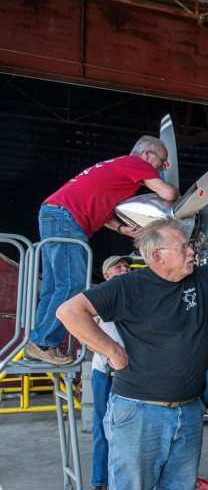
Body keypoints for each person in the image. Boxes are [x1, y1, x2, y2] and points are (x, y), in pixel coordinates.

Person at [56, 218, 208, 490]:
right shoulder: (129, 286)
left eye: (189, 246)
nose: (191, 252)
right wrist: (112, 352)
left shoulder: (201, 279)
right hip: (138, 412)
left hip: (187, 410)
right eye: (182, 247)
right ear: (156, 256)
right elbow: (70, 312)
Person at [27, 137, 179, 366]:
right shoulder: (136, 164)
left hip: (54, 213)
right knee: (72, 284)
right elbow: (168, 195)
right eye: (163, 162)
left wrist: (120, 228)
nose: (162, 167)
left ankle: (40, 342)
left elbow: (103, 208)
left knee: (54, 287)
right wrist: (177, 190)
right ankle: (43, 343)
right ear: (148, 155)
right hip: (66, 218)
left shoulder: (117, 168)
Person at [86, 255, 132, 490]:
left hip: (131, 371)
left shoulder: (137, 295)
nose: (124, 269)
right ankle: (99, 483)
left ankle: (124, 482)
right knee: (102, 428)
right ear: (106, 275)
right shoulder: (98, 298)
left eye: (127, 266)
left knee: (130, 429)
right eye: (118, 267)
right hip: (104, 371)